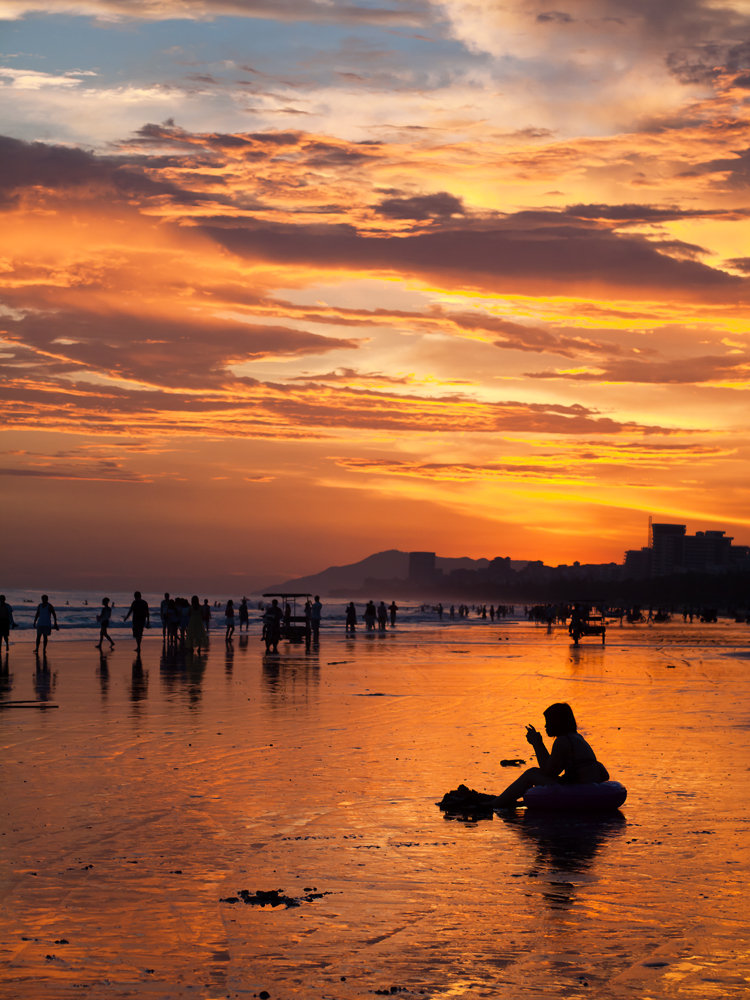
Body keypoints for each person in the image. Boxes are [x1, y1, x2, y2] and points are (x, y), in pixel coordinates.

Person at [494, 703, 609, 808]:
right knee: (535, 772)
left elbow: (548, 772)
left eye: (548, 722)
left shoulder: (562, 741)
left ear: (557, 723)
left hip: (578, 789)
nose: (545, 726)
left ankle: (496, 803)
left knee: (531, 774)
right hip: (586, 786)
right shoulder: (577, 737)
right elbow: (553, 770)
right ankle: (506, 799)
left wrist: (537, 743)